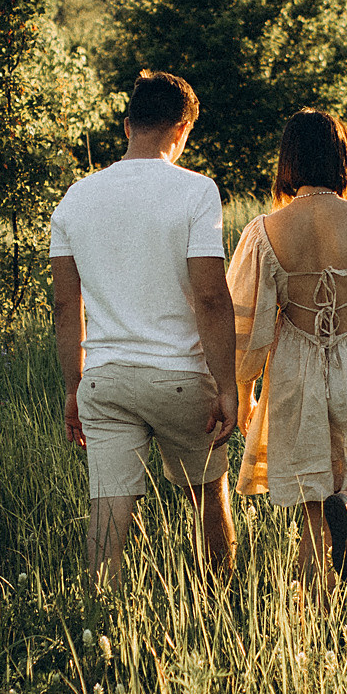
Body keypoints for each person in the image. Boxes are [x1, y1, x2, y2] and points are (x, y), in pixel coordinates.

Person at [49, 71, 239, 588]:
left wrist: (74, 387)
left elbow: (67, 307)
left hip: (106, 382)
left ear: (129, 124)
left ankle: (98, 624)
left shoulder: (74, 199)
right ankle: (221, 606)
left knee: (107, 517)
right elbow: (210, 296)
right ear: (182, 129)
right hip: (179, 378)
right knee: (207, 497)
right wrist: (227, 386)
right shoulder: (197, 192)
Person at [226, 109, 347, 591]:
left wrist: (244, 387)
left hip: (295, 368)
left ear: (288, 161)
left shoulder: (264, 231)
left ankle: (310, 617)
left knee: (312, 500)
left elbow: (245, 322)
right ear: (342, 158)